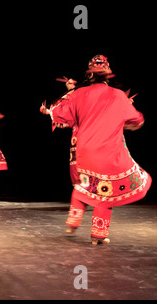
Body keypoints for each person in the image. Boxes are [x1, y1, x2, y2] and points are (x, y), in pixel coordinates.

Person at [42, 55, 152, 245]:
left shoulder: (78, 94)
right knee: (109, 190)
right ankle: (98, 234)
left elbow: (60, 114)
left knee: (85, 184)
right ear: (107, 76)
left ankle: (73, 221)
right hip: (108, 151)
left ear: (89, 75)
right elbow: (137, 120)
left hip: (83, 150)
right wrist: (123, 120)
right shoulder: (118, 95)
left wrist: (48, 111)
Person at [40, 77, 78, 185]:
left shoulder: (76, 95)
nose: (67, 83)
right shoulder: (73, 95)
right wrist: (48, 112)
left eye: (70, 81)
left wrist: (48, 111)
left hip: (84, 132)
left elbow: (65, 113)